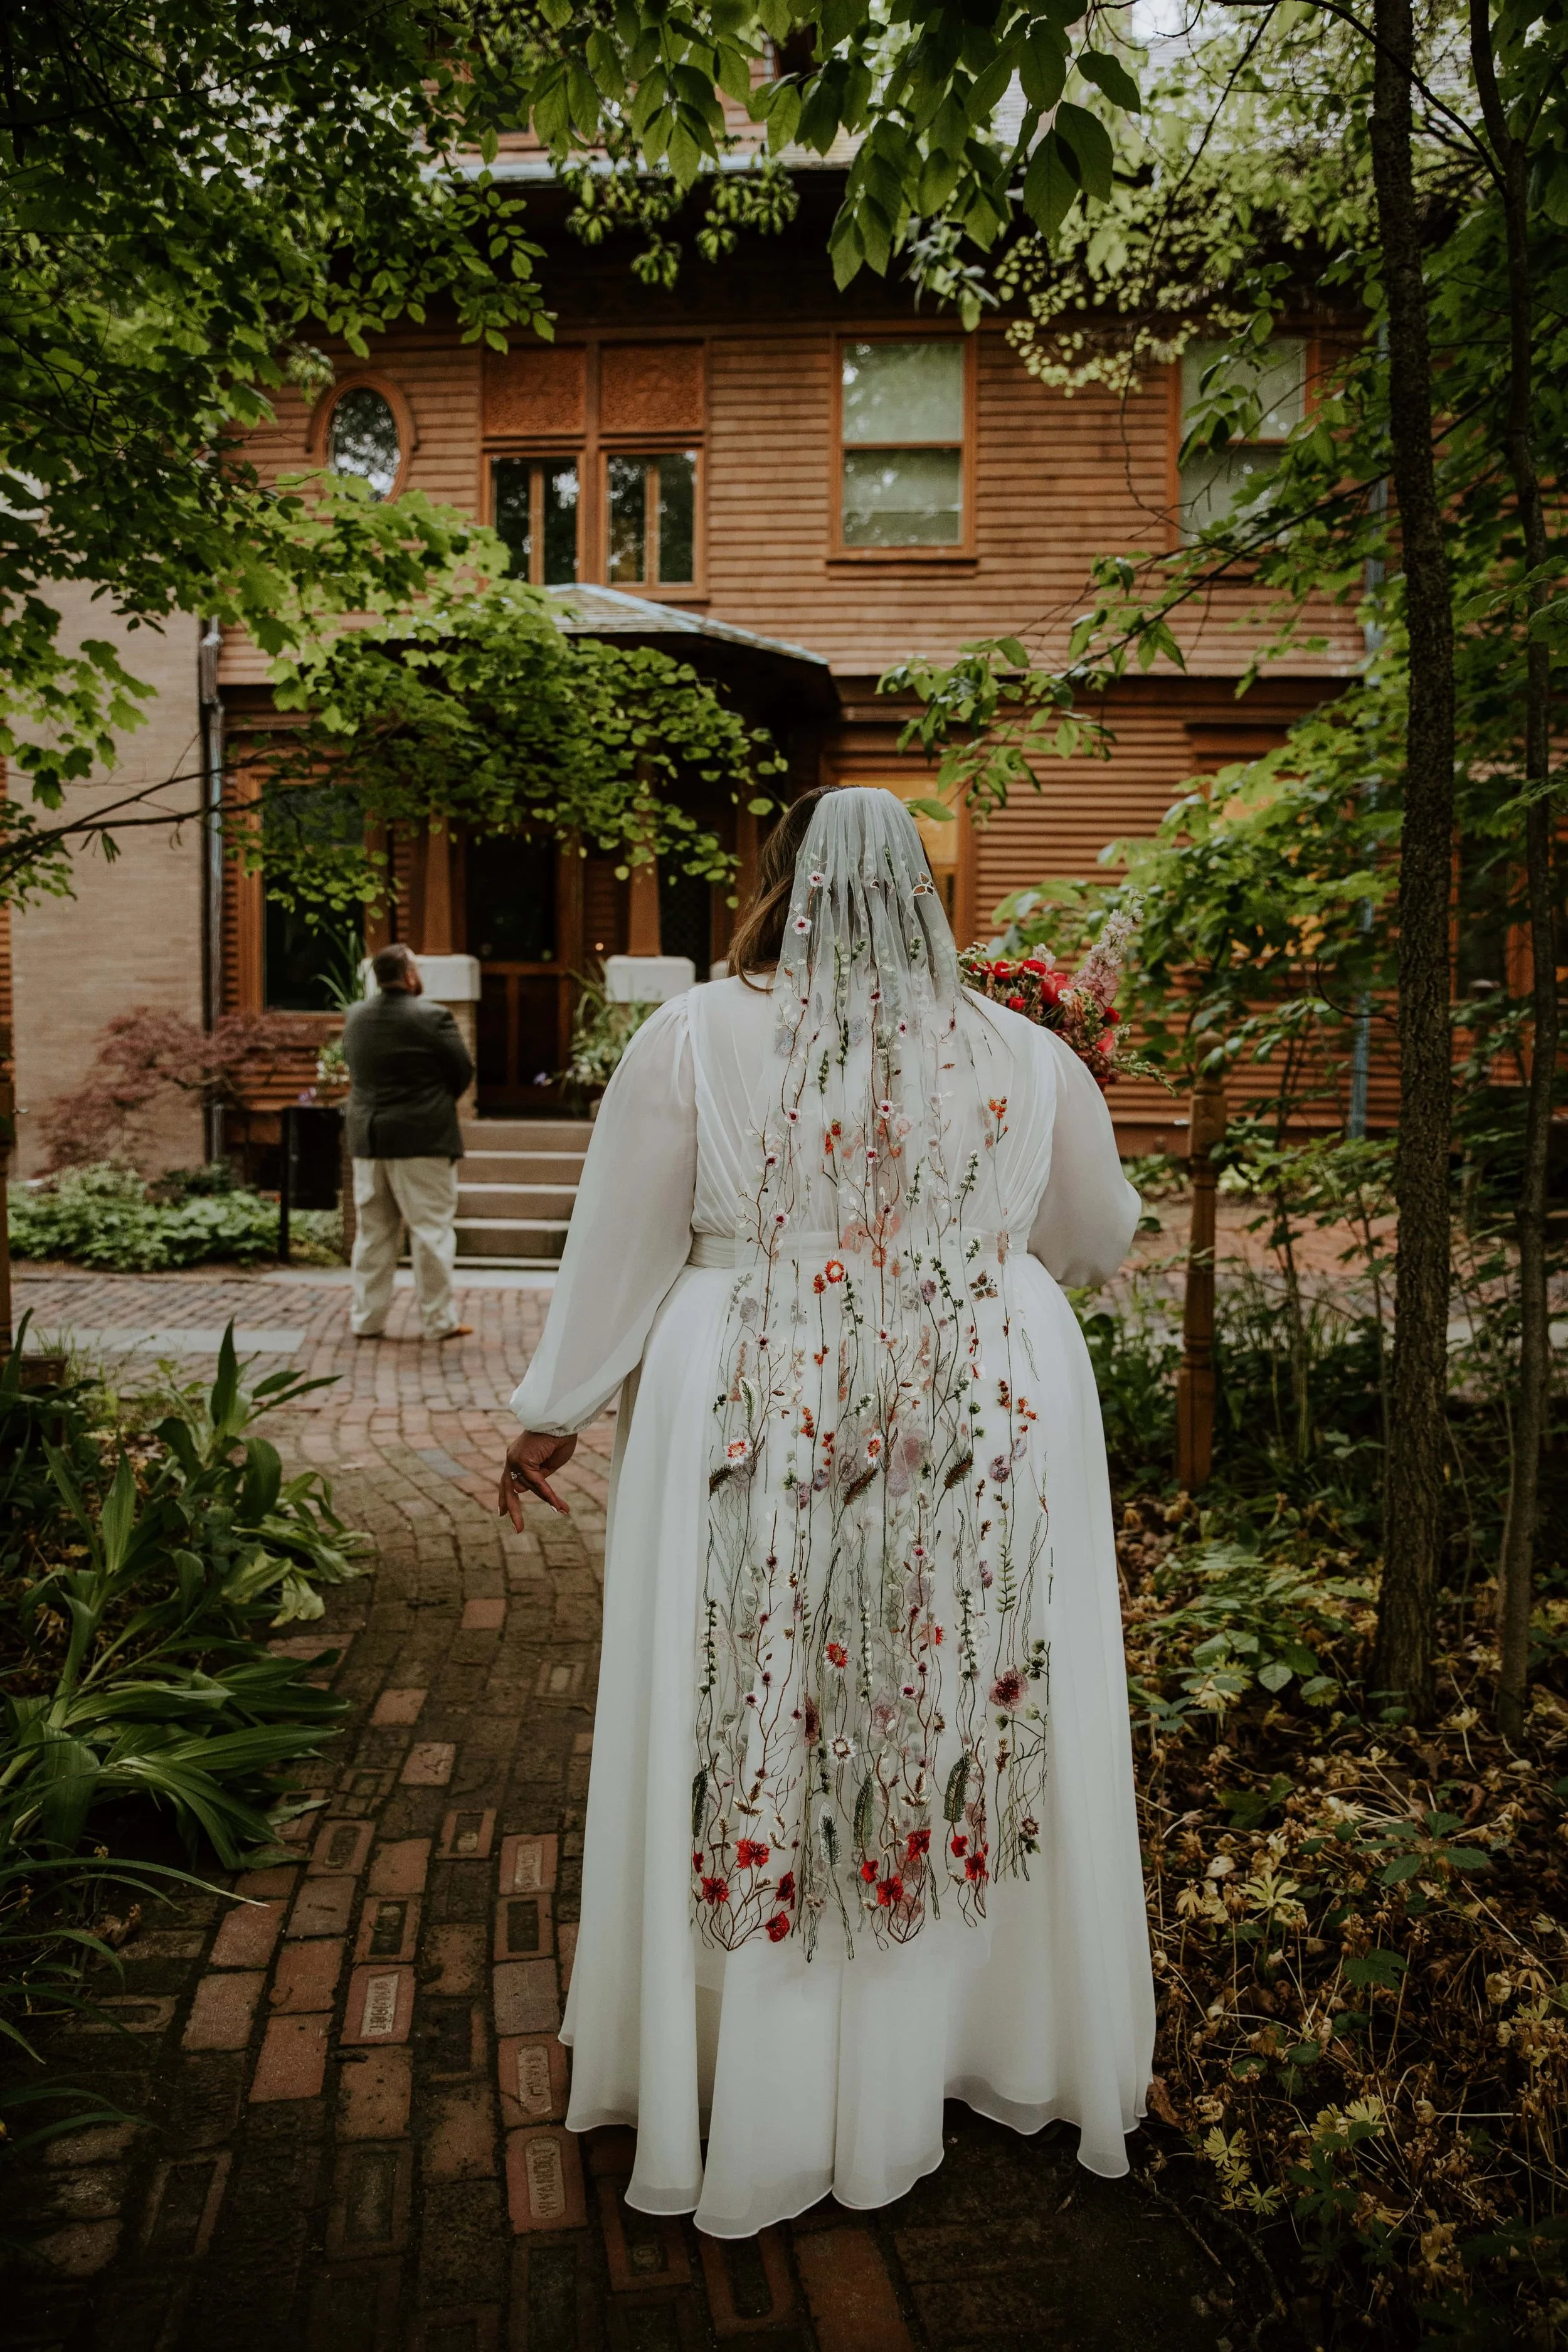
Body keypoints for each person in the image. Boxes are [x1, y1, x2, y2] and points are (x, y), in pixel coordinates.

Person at [499, 787, 1153, 2238]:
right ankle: (966, 2036)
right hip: (984, 1394)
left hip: (755, 1385)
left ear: (778, 885)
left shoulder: (695, 1038)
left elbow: (620, 1242)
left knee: (771, 1692)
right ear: (922, 896)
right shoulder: (1026, 1052)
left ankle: (765, 2063)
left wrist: (556, 1405)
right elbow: (1097, 1237)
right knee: (952, 1697)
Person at [343, 943, 474, 1342]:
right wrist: (429, 1103)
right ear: (410, 975)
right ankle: (438, 1322)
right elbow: (462, 1071)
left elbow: (354, 1068)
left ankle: (367, 1320)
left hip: (369, 1138)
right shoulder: (433, 1016)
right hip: (423, 1140)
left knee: (373, 1233)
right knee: (431, 1231)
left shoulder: (356, 1017)